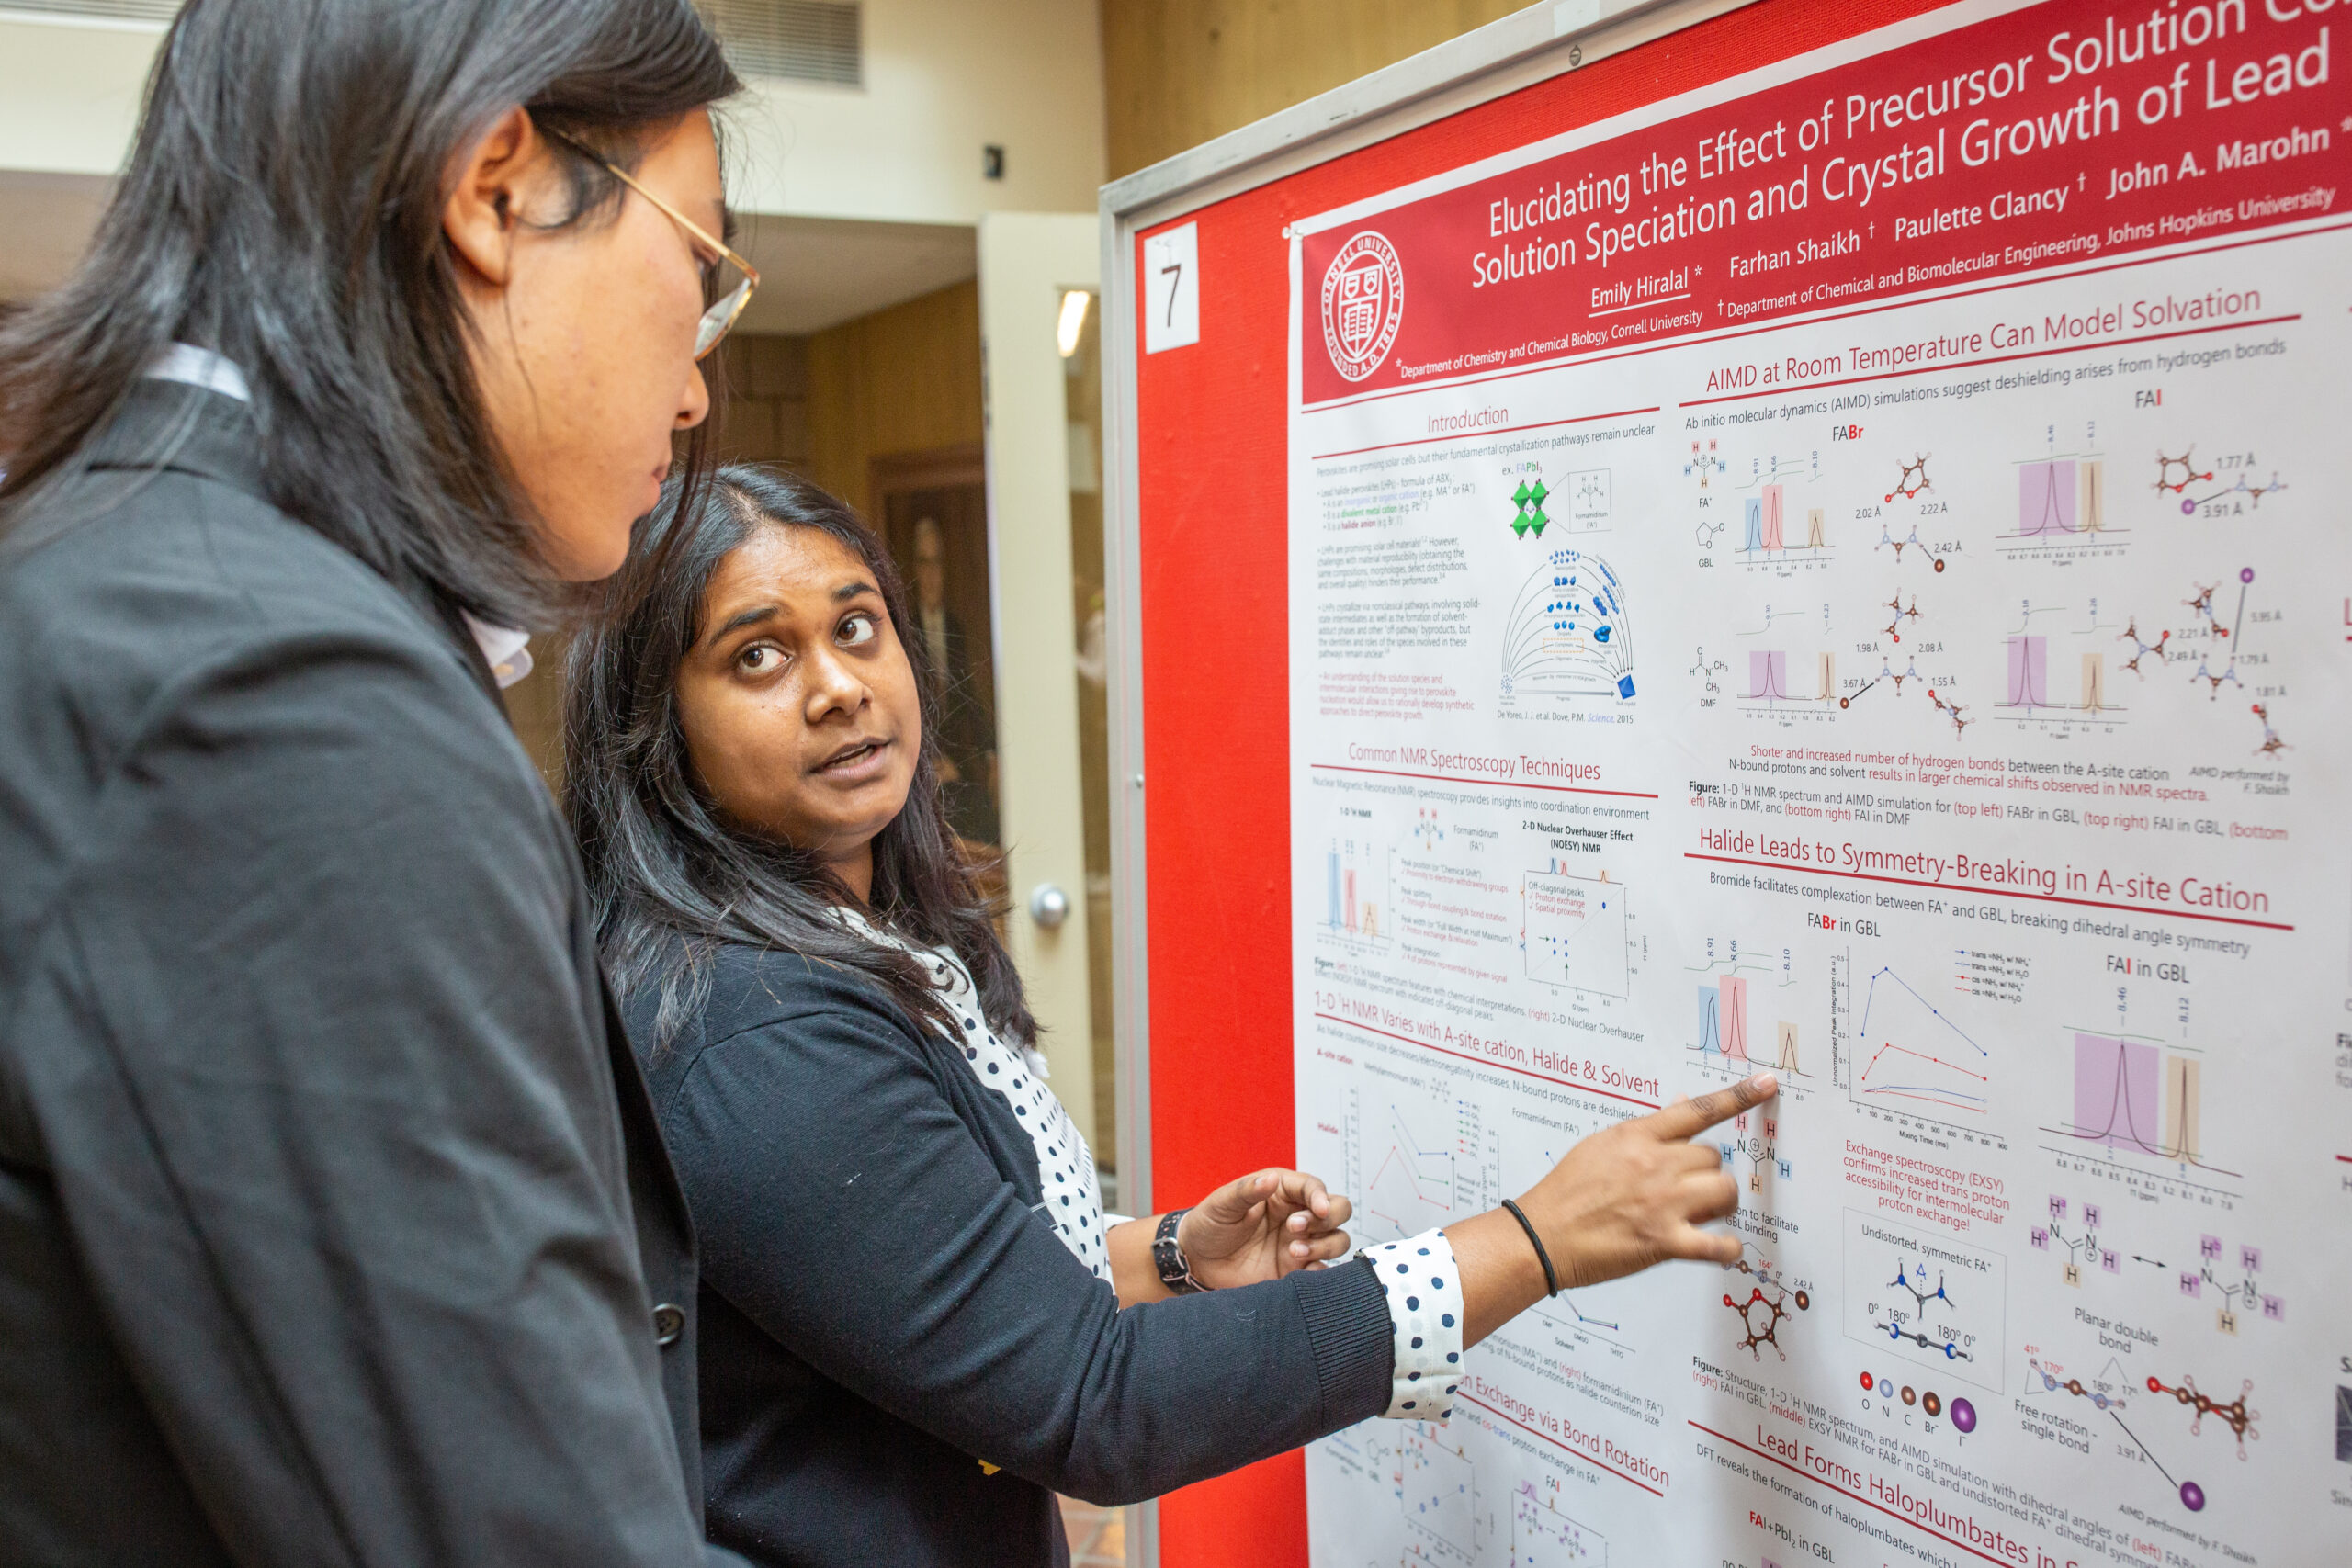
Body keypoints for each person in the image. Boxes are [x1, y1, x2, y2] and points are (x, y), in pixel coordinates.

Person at [565, 464, 1776, 1567]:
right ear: (657, 731)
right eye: (756, 658)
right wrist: (1533, 1242)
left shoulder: (852, 938)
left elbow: (928, 1275)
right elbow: (1095, 1405)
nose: (837, 687)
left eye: (855, 625)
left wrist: (1165, 1259)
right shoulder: (747, 1027)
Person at [0, 2, 759, 1561]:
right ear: (495, 191)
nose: (694, 394)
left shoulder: (126, 567)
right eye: (701, 273)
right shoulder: (273, 697)